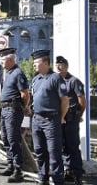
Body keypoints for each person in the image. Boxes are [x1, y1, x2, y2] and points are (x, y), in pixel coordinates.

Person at [30, 50, 69, 185]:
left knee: (54, 153)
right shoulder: (36, 79)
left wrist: (61, 117)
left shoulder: (56, 78)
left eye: (36, 62)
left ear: (46, 63)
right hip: (36, 119)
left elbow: (65, 101)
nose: (33, 65)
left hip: (51, 120)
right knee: (39, 151)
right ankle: (43, 178)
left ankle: (58, 181)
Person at [0, 48, 30, 183]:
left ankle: (18, 170)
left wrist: (23, 107)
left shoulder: (18, 73)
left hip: (13, 109)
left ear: (10, 60)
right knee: (5, 137)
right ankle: (10, 165)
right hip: (5, 109)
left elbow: (25, 94)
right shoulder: (9, 73)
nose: (1, 63)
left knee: (13, 139)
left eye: (3, 60)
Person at [55, 56, 86, 185]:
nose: (58, 66)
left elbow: (82, 101)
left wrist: (79, 115)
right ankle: (68, 171)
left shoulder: (74, 81)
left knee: (72, 146)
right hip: (59, 117)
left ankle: (78, 174)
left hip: (71, 118)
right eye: (57, 64)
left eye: (61, 64)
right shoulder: (56, 81)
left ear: (66, 66)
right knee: (62, 146)